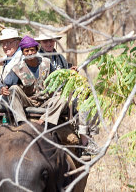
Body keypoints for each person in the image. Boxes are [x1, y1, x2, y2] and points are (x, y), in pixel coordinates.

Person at [36, 30, 99, 159]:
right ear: (40, 43)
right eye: (45, 41)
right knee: (73, 97)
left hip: (64, 90)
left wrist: (71, 71)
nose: (48, 43)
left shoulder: (59, 57)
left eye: (51, 40)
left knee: (89, 95)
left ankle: (87, 137)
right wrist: (66, 73)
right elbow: (44, 80)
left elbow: (65, 74)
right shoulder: (37, 58)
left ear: (55, 41)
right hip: (49, 94)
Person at [0, 36, 67, 126]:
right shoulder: (17, 68)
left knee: (63, 98)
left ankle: (43, 121)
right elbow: (4, 84)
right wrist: (1, 88)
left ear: (36, 50)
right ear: (23, 52)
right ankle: (22, 123)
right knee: (13, 89)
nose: (30, 53)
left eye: (32, 50)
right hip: (28, 101)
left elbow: (58, 81)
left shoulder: (47, 63)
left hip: (46, 101)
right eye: (27, 51)